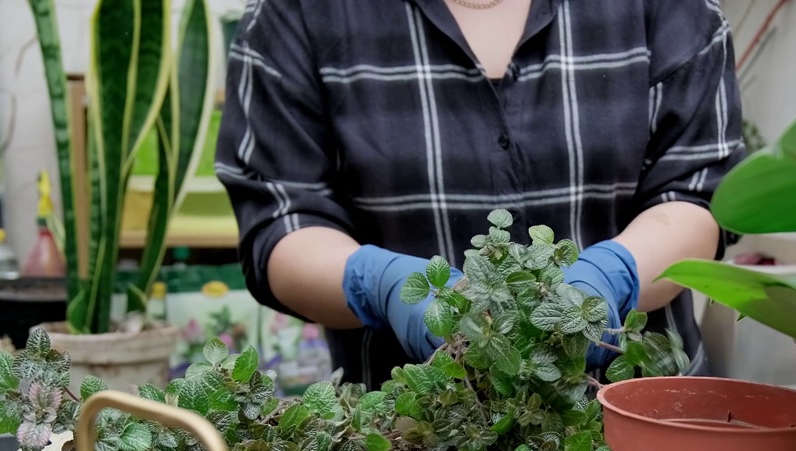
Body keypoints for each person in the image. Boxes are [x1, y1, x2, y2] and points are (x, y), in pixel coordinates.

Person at [216, 0, 744, 389]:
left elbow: (698, 193)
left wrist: (614, 276)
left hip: (648, 414)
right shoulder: (296, 16)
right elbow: (282, 221)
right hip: (413, 437)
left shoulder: (671, 10)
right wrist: (381, 284)